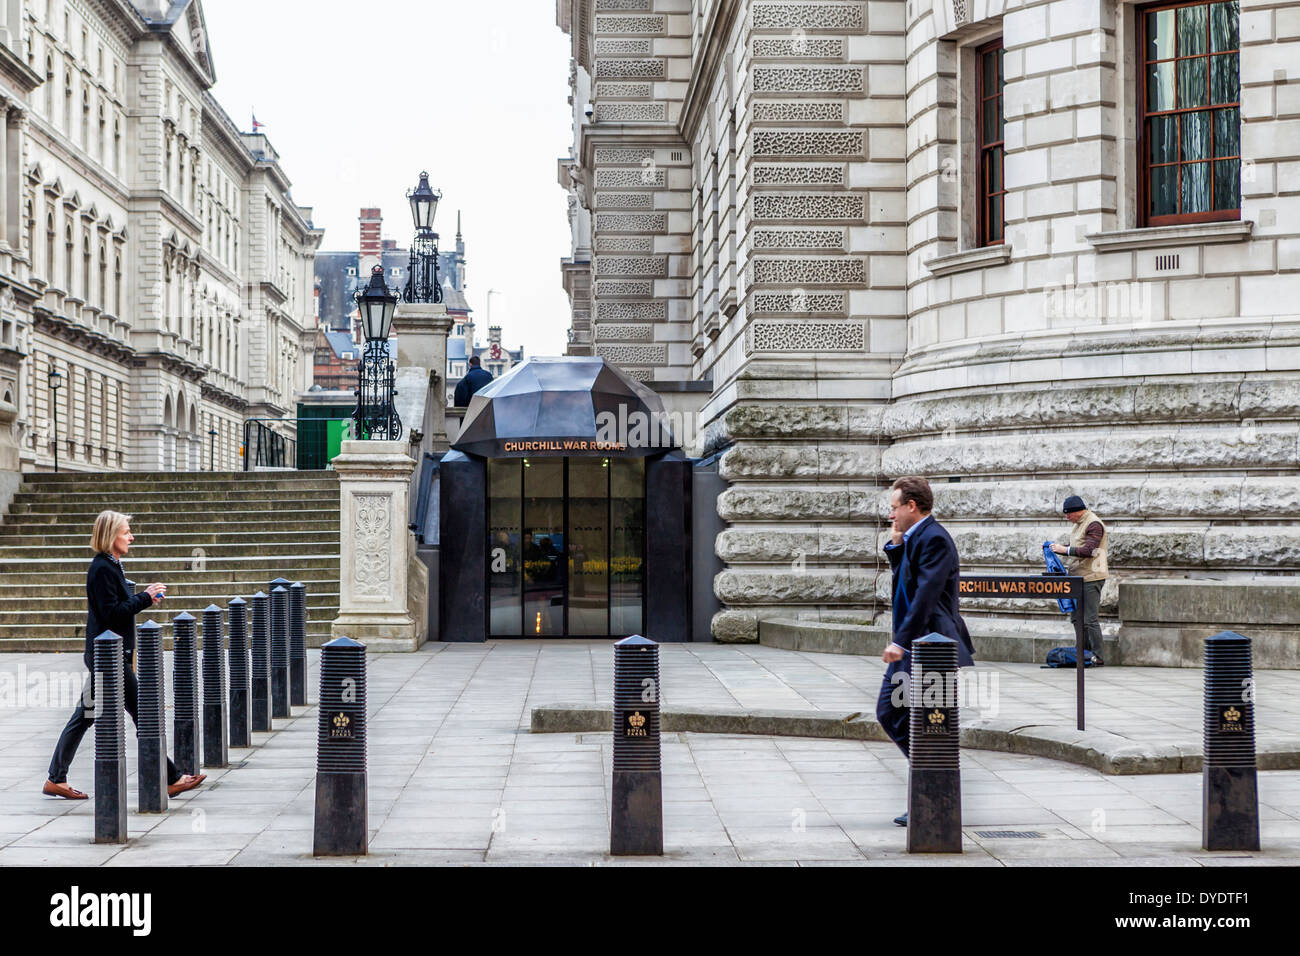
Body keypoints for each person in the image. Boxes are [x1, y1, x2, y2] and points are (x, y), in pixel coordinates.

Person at [44, 511, 205, 799]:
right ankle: (171, 778)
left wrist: (144, 599)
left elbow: (117, 608)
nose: (131, 537)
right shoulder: (102, 568)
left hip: (110, 655)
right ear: (111, 536)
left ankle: (56, 778)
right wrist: (145, 596)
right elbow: (111, 613)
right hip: (108, 658)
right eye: (126, 532)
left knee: (87, 715)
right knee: (142, 712)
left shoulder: (112, 565)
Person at [876, 476, 975, 827]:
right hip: (914, 646)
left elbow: (925, 598)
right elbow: (907, 584)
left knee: (928, 724)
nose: (891, 514)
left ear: (911, 506)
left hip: (932, 647)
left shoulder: (935, 539)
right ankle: (930, 785)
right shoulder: (916, 537)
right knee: (894, 714)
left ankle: (935, 790)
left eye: (894, 507)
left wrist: (900, 642)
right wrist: (897, 545)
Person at [1050, 494, 1108, 665]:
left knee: (1090, 619)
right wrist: (1057, 549)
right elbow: (1076, 547)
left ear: (1078, 511)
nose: (1067, 517)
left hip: (1092, 576)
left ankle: (1098, 657)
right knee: (1076, 618)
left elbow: (1090, 549)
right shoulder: (1078, 524)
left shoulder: (1094, 524)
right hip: (1077, 577)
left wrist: (1065, 550)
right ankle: (1082, 653)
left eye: (1069, 514)